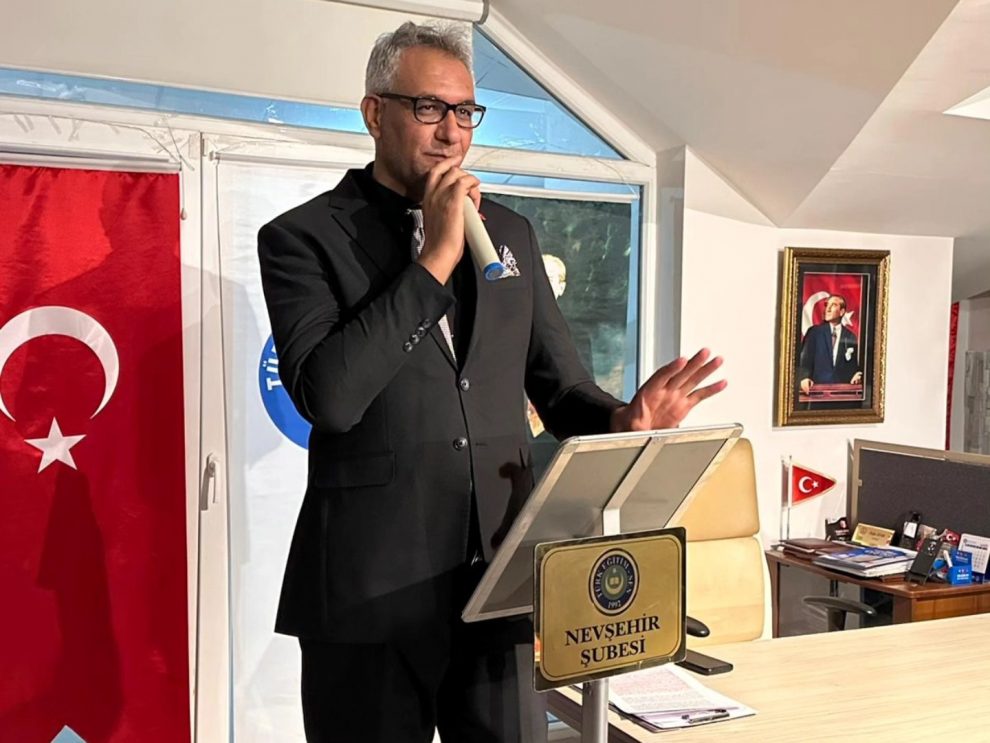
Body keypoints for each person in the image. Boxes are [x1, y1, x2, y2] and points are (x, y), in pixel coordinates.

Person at [257, 21, 725, 743]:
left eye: (465, 112)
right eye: (428, 108)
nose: (451, 133)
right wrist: (436, 258)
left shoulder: (511, 233)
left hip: (498, 583)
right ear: (374, 113)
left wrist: (622, 421)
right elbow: (331, 398)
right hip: (368, 595)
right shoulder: (304, 237)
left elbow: (560, 388)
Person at [797, 294, 863, 395]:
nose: (827, 309)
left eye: (833, 305)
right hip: (817, 392)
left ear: (841, 312)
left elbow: (854, 365)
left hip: (842, 394)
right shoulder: (814, 332)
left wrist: (857, 374)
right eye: (827, 305)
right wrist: (804, 377)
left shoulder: (850, 336)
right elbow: (804, 360)